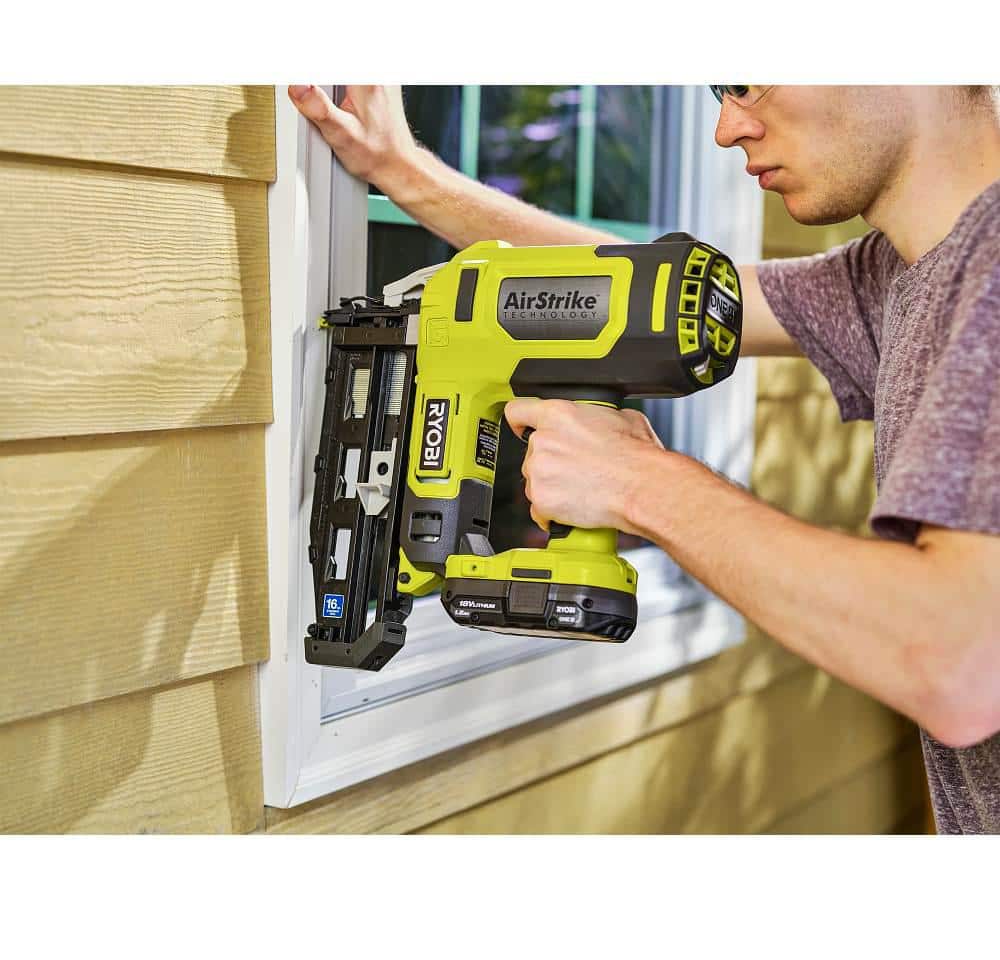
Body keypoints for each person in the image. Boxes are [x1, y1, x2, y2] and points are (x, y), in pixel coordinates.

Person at [288, 84, 1000, 834]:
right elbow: (626, 294)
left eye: (747, 78)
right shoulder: (898, 275)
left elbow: (957, 662)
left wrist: (634, 481)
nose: (726, 128)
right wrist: (405, 173)